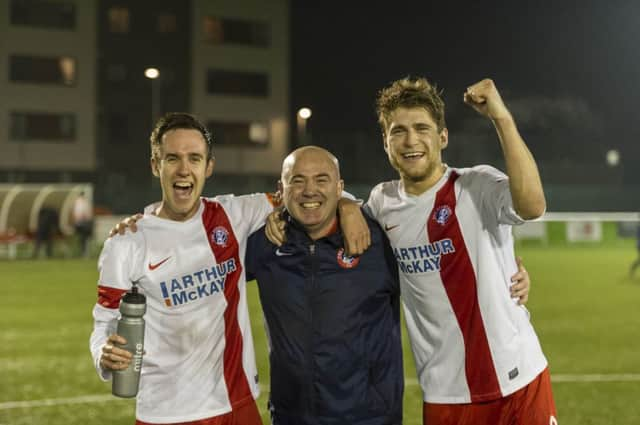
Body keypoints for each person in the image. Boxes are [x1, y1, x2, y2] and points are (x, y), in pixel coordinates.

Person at [90, 113, 366, 425]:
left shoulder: (232, 214)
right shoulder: (128, 242)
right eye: (172, 158)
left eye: (194, 158)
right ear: (156, 166)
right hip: (166, 412)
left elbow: (305, 196)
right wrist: (103, 352)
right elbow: (105, 320)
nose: (184, 169)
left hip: (238, 404)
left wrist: (348, 205)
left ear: (208, 166)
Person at [366, 77, 556, 425]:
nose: (411, 140)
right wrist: (348, 207)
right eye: (398, 131)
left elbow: (532, 206)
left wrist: (501, 118)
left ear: (443, 137)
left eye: (422, 128)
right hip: (445, 392)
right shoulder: (381, 203)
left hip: (518, 378)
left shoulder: (476, 185)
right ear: (385, 141)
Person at [245, 146, 403, 425]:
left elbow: (437, 271)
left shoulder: (378, 241)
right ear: (280, 190)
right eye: (297, 180)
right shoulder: (265, 244)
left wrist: (506, 273)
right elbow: (202, 262)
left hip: (370, 418)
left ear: (340, 187)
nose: (309, 190)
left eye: (322, 179)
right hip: (293, 418)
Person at [72, 191, 93, 257]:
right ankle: (83, 252)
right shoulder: (83, 203)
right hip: (82, 224)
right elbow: (87, 215)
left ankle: (82, 252)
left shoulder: (78, 202)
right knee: (83, 238)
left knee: (82, 239)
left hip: (80, 224)